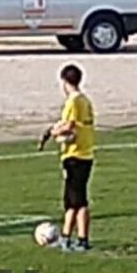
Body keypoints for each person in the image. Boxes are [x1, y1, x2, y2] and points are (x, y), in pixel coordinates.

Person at [38, 64, 95, 252]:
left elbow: (69, 126)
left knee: (77, 201)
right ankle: (68, 237)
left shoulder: (74, 101)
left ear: (64, 81)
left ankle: (78, 239)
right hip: (85, 153)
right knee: (74, 200)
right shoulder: (85, 100)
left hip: (75, 155)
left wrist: (53, 132)